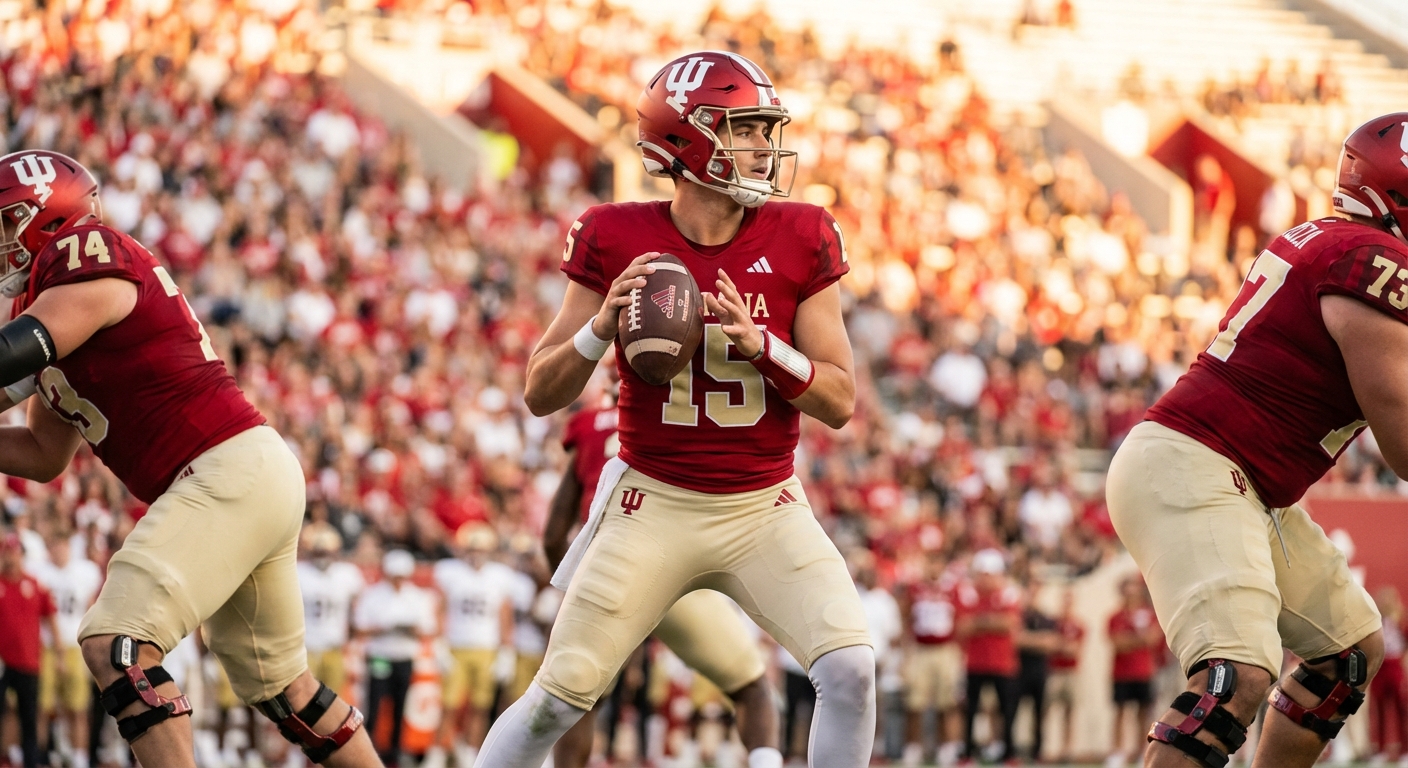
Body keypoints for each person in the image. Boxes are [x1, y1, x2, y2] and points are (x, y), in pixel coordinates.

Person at [482, 50, 874, 768]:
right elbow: (541, 391)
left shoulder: (802, 233)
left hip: (765, 504)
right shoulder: (615, 233)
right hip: (651, 503)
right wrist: (600, 328)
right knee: (557, 698)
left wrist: (765, 348)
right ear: (690, 140)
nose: (763, 146)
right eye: (745, 129)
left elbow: (841, 400)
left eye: (764, 130)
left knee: (850, 669)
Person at [0, 150, 375, 768]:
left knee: (117, 642)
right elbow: (44, 454)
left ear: (47, 215)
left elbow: (17, 353)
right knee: (287, 693)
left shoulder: (83, 250)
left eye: (6, 222)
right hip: (244, 474)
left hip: (223, 469)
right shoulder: (46, 302)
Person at [1106, 115, 1408, 768]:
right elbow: (1404, 445)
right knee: (1236, 675)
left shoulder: (1334, 241)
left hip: (1237, 478)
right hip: (1198, 463)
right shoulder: (1373, 260)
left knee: (1349, 653)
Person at [541, 358, 781, 768]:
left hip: (610, 574)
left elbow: (552, 535)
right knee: (753, 687)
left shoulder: (588, 425)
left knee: (577, 703)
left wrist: (572, 590)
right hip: (674, 571)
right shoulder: (682, 413)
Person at [429, 524, 516, 768]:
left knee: (480, 706)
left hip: (487, 649)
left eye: (481, 549)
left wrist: (506, 651)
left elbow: (505, 616)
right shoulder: (451, 572)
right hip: (457, 647)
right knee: (449, 706)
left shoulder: (499, 576)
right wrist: (439, 643)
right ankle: (436, 755)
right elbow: (440, 609)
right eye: (471, 549)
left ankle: (469, 755)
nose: (476, 554)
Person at [353, 548, 437, 767]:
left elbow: (428, 629)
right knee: (375, 703)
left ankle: (394, 752)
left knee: (400, 707)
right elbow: (360, 628)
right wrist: (383, 629)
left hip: (403, 657)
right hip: (380, 656)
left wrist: (409, 629)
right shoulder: (373, 594)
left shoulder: (417, 596)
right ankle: (369, 751)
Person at [35, 534, 102, 768]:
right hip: (46, 646)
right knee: (42, 706)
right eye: (54, 546)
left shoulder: (85, 572)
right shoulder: (40, 573)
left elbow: (92, 605)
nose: (59, 552)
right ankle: (40, 757)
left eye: (62, 546)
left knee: (78, 707)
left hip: (74, 645)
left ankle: (79, 759)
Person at [956, 548, 1021, 763]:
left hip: (1002, 662)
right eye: (983, 573)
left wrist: (980, 622)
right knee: (971, 710)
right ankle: (967, 752)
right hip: (975, 661)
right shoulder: (969, 593)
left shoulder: (1008, 593)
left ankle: (1009, 752)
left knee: (1007, 711)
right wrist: (991, 621)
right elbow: (963, 627)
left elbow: (1009, 624)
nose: (986, 578)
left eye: (989, 573)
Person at [0, 532, 59, 768]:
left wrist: (59, 653)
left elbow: (50, 617)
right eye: (7, 552)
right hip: (3, 662)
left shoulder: (34, 585)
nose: (10, 558)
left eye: (14, 553)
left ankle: (31, 760)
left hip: (28, 661)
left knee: (29, 716)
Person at [900, 555, 963, 767]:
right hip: (921, 649)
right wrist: (905, 649)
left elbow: (960, 620)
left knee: (946, 701)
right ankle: (913, 747)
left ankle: (945, 747)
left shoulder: (952, 589)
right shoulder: (916, 589)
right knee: (914, 701)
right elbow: (906, 616)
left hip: (945, 649)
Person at [296, 527, 364, 701]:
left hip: (334, 647)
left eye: (326, 552)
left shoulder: (347, 574)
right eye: (318, 552)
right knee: (303, 700)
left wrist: (353, 637)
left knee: (333, 701)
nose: (322, 557)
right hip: (305, 648)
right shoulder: (299, 572)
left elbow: (357, 607)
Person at [1106, 577, 1163, 768]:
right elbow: (1118, 643)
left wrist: (1131, 639)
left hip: (1143, 672)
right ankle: (1117, 752)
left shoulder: (1149, 614)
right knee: (1120, 713)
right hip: (1121, 673)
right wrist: (1139, 639)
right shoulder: (1116, 616)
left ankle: (1141, 752)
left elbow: (1153, 638)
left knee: (1143, 714)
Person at [1015, 582, 1058, 763]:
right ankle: (1010, 748)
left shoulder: (1046, 618)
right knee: (1011, 711)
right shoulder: (1017, 616)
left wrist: (1027, 639)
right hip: (1018, 671)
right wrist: (1038, 641)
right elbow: (1015, 639)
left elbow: (1050, 643)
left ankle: (1037, 750)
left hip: (1039, 671)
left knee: (1039, 712)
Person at [1045, 588, 1084, 763]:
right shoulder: (1053, 623)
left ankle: (1067, 748)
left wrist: (1059, 645)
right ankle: (1047, 746)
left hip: (1071, 672)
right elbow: (1050, 645)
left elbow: (1074, 650)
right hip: (1054, 671)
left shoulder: (1078, 625)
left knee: (1070, 710)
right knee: (1047, 708)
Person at [1370, 586, 1407, 762]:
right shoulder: (1375, 622)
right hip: (1380, 668)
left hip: (1395, 666)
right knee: (1378, 709)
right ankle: (1381, 749)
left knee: (1402, 709)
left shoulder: (1401, 621)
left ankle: (1404, 750)